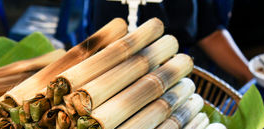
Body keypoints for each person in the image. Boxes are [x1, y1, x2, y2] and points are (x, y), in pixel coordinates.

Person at [92, 0, 253, 86]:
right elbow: (109, 46)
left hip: (183, 71)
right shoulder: (118, 8)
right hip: (126, 74)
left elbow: (209, 31)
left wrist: (250, 75)